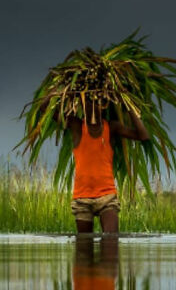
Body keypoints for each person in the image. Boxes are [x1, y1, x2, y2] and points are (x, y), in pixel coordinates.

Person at [39, 95, 150, 233]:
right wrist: (59, 92)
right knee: (84, 248)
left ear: (104, 106)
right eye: (89, 102)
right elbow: (44, 108)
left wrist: (127, 104)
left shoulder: (112, 128)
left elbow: (143, 135)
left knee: (111, 241)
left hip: (107, 198)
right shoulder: (76, 126)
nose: (93, 106)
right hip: (82, 200)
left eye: (98, 103)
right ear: (83, 105)